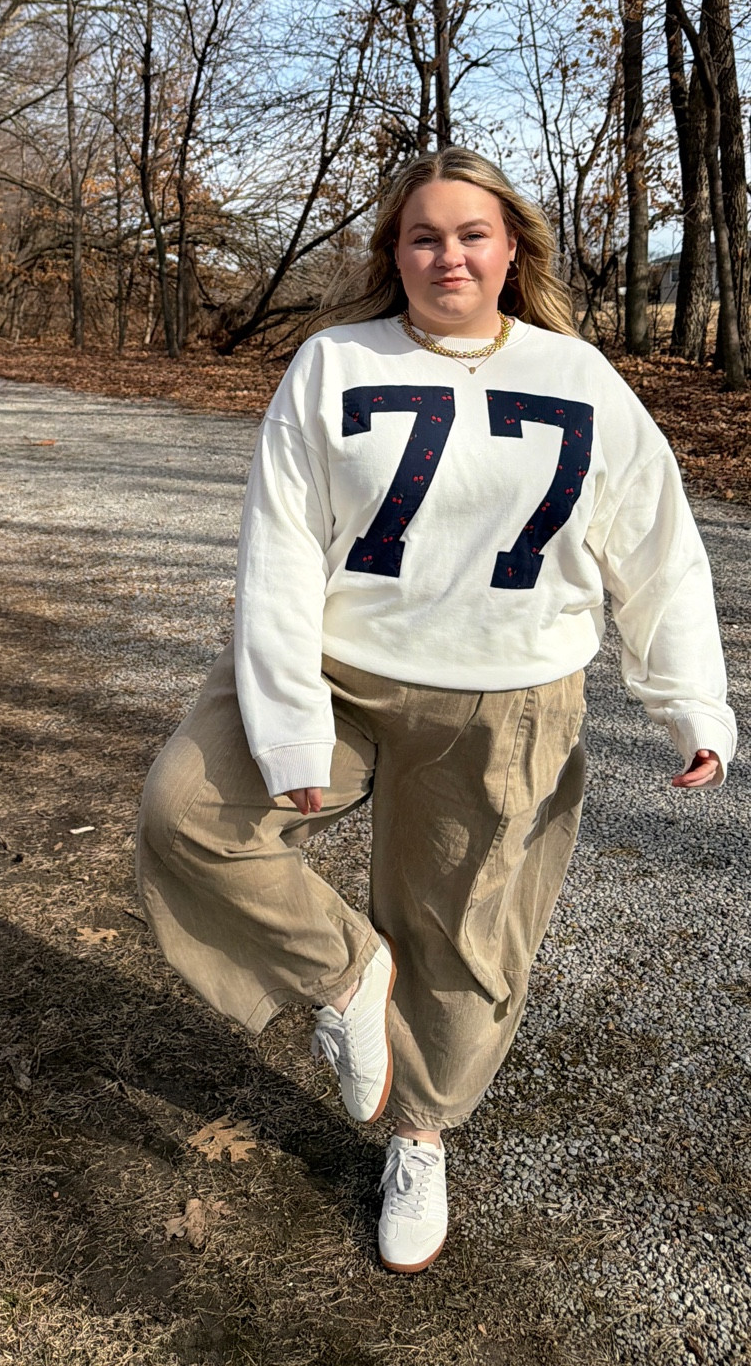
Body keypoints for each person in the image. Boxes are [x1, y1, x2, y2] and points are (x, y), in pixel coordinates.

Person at [135, 146, 735, 1274]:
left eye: (471, 234)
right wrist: (290, 724)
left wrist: (688, 698)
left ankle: (420, 1135)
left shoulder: (580, 378)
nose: (447, 254)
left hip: (507, 701)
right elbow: (276, 554)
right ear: (393, 253)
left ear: (513, 251)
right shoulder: (330, 365)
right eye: (424, 235)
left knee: (465, 942)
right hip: (339, 670)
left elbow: (658, 549)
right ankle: (345, 976)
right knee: (190, 815)